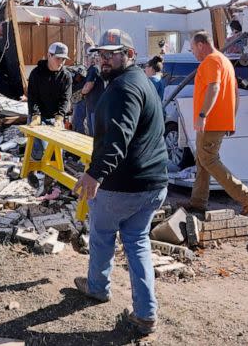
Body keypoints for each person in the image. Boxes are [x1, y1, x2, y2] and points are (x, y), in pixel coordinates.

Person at [72, 29, 168, 334]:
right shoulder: (142, 82)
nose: (105, 60)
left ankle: (97, 287)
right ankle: (145, 313)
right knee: (137, 242)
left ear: (130, 55)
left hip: (123, 184)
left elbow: (117, 139)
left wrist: (95, 173)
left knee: (102, 235)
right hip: (153, 184)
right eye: (101, 54)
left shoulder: (123, 89)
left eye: (112, 54)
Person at [185, 31, 248, 216]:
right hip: (217, 122)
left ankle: (247, 197)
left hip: (210, 122)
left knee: (209, 160)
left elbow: (214, 86)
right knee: (203, 161)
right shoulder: (225, 61)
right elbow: (235, 94)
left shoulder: (211, 60)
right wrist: (231, 120)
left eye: (193, 48)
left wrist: (203, 115)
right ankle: (198, 203)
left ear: (201, 45)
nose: (193, 52)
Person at [27, 42, 73, 159]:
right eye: (58, 58)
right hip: (38, 116)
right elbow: (33, 97)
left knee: (56, 152)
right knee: (38, 151)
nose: (61, 62)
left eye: (63, 59)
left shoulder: (66, 76)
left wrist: (60, 116)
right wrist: (35, 114)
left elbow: (65, 98)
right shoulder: (36, 73)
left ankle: (50, 176)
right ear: (49, 55)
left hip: (56, 116)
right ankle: (35, 172)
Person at [81, 52, 104, 136]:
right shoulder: (99, 68)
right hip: (96, 106)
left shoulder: (93, 69)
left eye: (87, 57)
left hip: (94, 107)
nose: (86, 59)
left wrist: (81, 92)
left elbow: (88, 86)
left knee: (93, 134)